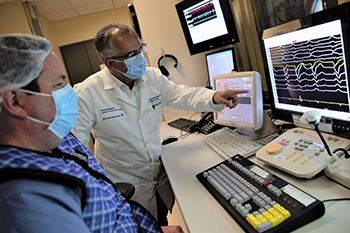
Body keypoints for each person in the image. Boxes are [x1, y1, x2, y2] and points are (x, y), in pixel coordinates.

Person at [0, 33, 184, 233]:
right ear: (15, 101)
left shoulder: (59, 139)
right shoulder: (24, 196)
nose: (69, 93)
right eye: (59, 84)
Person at [72, 23, 249, 225]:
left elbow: (182, 95)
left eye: (140, 49)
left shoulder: (153, 76)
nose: (140, 58)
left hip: (157, 176)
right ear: (110, 63)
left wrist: (214, 97)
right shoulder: (87, 93)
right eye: (131, 55)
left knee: (161, 221)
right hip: (125, 184)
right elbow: (75, 148)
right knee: (139, 226)